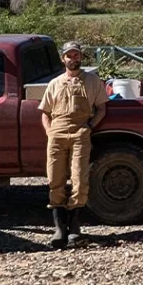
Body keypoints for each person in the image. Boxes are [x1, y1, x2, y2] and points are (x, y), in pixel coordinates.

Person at [38, 41, 108, 248]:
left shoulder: (93, 81)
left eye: (76, 55)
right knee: (55, 178)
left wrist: (89, 125)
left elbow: (102, 109)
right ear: (63, 59)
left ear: (81, 57)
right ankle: (59, 228)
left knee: (79, 178)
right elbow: (45, 113)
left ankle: (74, 225)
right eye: (69, 55)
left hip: (80, 131)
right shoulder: (55, 83)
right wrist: (50, 133)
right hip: (57, 133)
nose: (73, 59)